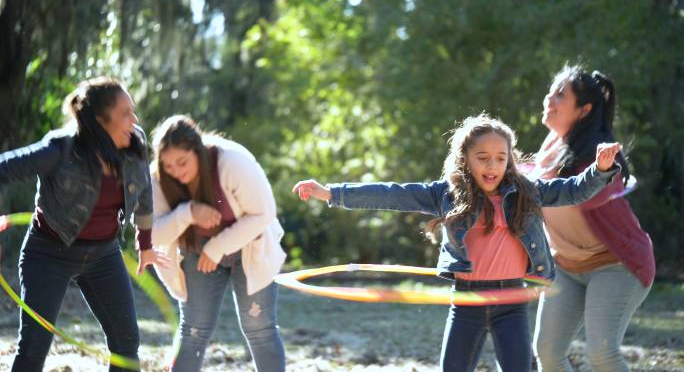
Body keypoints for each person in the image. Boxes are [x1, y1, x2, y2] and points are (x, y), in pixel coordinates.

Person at [293, 113, 623, 372]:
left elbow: (573, 190)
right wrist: (331, 193)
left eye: (500, 157)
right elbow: (391, 193)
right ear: (465, 158)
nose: (492, 166)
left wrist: (601, 168)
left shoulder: (526, 191)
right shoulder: (446, 195)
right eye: (482, 157)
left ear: (509, 159)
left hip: (512, 302)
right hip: (467, 301)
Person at [0, 77, 168, 371]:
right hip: (48, 253)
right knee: (34, 348)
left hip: (104, 255)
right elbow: (6, 168)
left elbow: (144, 195)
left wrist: (146, 245)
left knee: (127, 346)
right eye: (125, 113)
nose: (135, 119)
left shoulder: (134, 143)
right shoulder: (61, 149)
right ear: (101, 121)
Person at [531, 65, 655, 372]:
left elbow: (587, 193)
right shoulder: (550, 147)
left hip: (616, 266)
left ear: (584, 110)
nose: (549, 99)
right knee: (547, 352)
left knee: (602, 353)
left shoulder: (599, 158)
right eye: (551, 91)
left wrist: (525, 183)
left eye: (560, 95)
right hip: (567, 268)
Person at [149, 115, 286, 372]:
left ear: (197, 150)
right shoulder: (156, 180)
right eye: (168, 165)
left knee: (260, 328)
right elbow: (153, 234)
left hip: (249, 244)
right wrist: (188, 212)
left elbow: (263, 213)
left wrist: (217, 247)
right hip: (194, 248)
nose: (176, 172)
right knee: (193, 330)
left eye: (182, 162)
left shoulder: (232, 161)